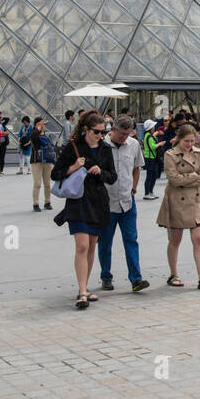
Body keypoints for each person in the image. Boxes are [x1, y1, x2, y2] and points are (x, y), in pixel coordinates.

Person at [53, 112, 116, 308]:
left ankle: (85, 287)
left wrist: (100, 171)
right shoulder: (73, 147)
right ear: (86, 130)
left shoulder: (105, 149)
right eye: (96, 132)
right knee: (82, 246)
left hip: (98, 201)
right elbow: (55, 173)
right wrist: (73, 167)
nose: (100, 135)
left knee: (91, 245)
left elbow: (112, 176)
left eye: (103, 132)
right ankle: (81, 291)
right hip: (78, 201)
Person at [158, 123, 200, 289]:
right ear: (179, 140)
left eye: (192, 141)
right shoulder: (170, 154)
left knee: (198, 238)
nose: (190, 144)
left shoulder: (198, 153)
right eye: (186, 141)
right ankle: (173, 273)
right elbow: (174, 179)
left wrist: (187, 177)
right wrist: (193, 176)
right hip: (177, 201)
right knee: (175, 239)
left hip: (196, 200)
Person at [98, 116, 150, 292]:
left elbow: (136, 168)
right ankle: (106, 276)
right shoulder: (102, 145)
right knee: (105, 241)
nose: (124, 138)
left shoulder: (133, 145)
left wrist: (134, 189)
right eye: (121, 134)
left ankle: (136, 278)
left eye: (127, 134)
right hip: (107, 202)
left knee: (131, 239)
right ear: (113, 129)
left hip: (127, 201)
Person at [29, 117, 55, 212]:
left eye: (44, 124)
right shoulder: (34, 133)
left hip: (47, 161)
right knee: (37, 183)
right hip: (37, 161)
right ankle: (35, 203)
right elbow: (33, 137)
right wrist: (38, 129)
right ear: (36, 124)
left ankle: (47, 202)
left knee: (47, 183)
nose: (43, 125)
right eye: (41, 123)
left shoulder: (47, 135)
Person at [141, 120, 162, 200]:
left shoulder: (148, 135)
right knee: (150, 176)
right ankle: (147, 193)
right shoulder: (149, 136)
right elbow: (152, 146)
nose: (154, 127)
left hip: (151, 157)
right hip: (150, 158)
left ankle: (150, 191)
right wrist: (159, 144)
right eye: (153, 126)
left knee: (152, 175)